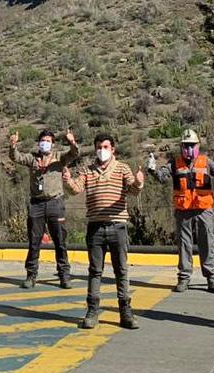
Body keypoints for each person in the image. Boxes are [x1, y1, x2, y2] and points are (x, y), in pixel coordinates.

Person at [63, 133, 144, 329]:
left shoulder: (122, 168)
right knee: (95, 271)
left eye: (105, 147)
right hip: (95, 227)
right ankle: (92, 310)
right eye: (99, 147)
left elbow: (133, 191)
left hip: (118, 226)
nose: (102, 150)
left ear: (113, 149)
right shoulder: (87, 170)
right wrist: (67, 180)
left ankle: (125, 311)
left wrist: (138, 182)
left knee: (121, 270)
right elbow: (75, 189)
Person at [146, 129, 214, 293]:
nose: (189, 148)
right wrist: (152, 169)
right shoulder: (175, 163)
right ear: (181, 146)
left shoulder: (206, 162)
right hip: (183, 210)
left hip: (204, 209)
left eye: (192, 145)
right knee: (184, 244)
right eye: (186, 145)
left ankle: (212, 279)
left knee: (207, 243)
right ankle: (184, 278)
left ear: (198, 145)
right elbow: (162, 177)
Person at [9, 128, 77, 289]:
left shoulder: (59, 157)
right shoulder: (32, 158)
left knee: (60, 241)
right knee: (34, 242)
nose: (45, 143)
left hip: (55, 203)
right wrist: (12, 145)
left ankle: (64, 275)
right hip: (36, 204)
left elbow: (74, 154)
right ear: (38, 143)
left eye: (48, 141)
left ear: (52, 144)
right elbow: (16, 157)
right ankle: (31, 275)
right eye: (42, 140)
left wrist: (72, 142)